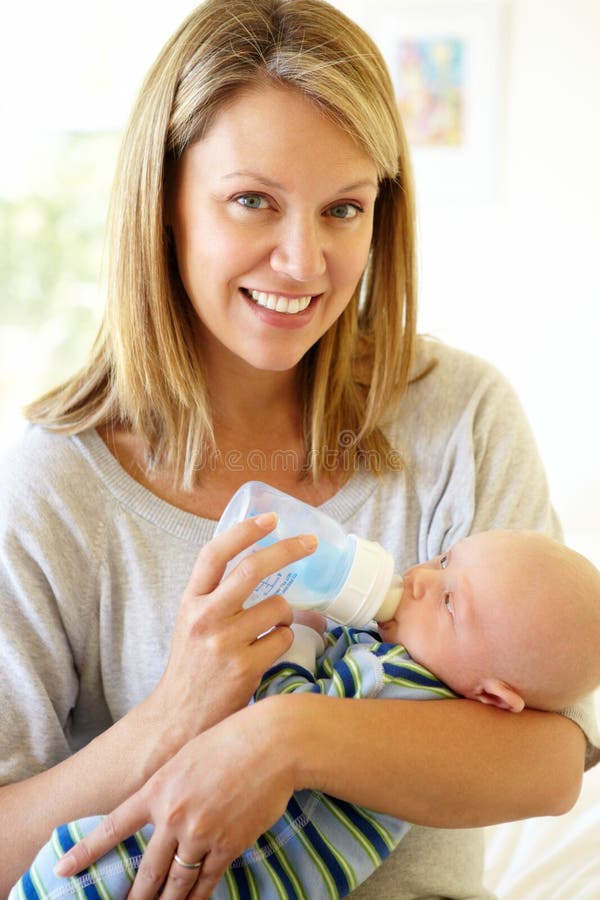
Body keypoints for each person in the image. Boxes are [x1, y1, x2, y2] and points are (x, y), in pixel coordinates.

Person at [0, 0, 598, 897]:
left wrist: (286, 738)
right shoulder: (57, 486)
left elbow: (552, 764)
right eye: (253, 201)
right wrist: (173, 716)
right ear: (165, 202)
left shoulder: (459, 416)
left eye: (343, 209)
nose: (302, 262)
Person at [10, 529, 600, 899]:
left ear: (494, 697)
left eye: (449, 601)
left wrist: (295, 638)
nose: (421, 576)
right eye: (445, 558)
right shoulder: (433, 688)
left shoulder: (398, 682)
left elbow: (281, 705)